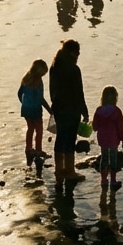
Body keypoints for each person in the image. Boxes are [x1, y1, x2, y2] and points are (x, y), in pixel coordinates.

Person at [49, 40, 89, 190]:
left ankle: (59, 171)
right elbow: (79, 93)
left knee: (60, 138)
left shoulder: (55, 66)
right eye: (77, 53)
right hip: (71, 110)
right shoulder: (74, 69)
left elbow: (52, 89)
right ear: (72, 53)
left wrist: (55, 105)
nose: (78, 56)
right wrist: (84, 111)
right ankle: (70, 171)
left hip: (58, 108)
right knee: (70, 140)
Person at [18, 59, 52, 170]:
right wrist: (49, 110)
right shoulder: (39, 81)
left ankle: (28, 149)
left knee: (30, 129)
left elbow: (19, 93)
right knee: (39, 131)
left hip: (26, 109)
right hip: (36, 110)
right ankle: (38, 150)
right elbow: (41, 99)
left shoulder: (26, 78)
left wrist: (24, 103)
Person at [93, 86, 123, 190]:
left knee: (104, 158)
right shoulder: (117, 111)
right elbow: (121, 127)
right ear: (115, 97)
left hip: (102, 138)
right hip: (113, 138)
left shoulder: (98, 110)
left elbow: (95, 126)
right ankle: (113, 180)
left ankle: (103, 180)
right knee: (113, 159)